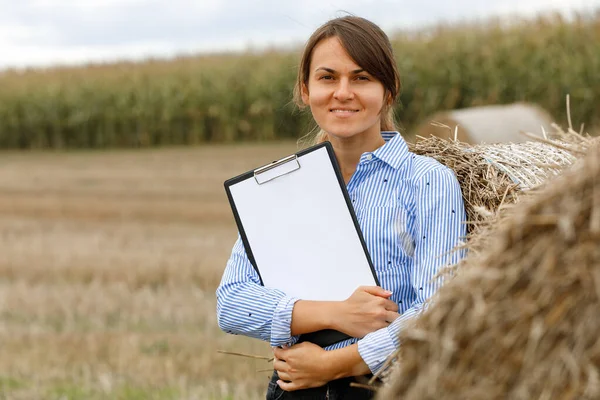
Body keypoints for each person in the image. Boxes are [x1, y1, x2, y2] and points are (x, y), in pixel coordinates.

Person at [216, 15, 467, 399]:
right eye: (328, 77)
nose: (343, 92)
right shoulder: (280, 187)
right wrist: (335, 313)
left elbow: (436, 310)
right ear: (305, 89)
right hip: (293, 389)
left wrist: (335, 364)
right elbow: (232, 302)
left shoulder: (427, 182)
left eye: (362, 78)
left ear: (389, 90)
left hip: (388, 388)